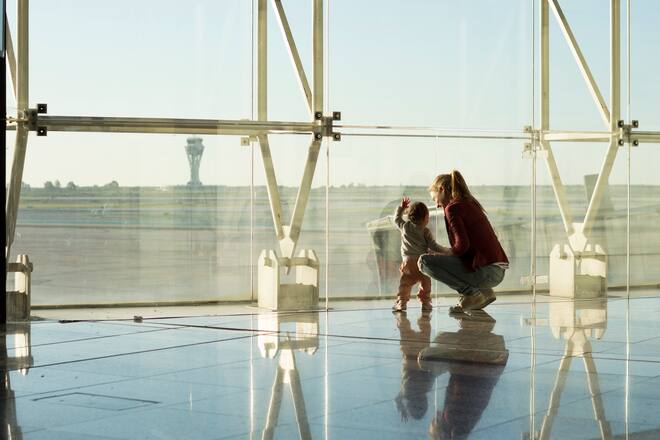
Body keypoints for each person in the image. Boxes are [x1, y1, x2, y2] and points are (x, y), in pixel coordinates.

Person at [419, 170, 509, 313]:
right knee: (440, 259)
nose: (436, 204)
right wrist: (444, 254)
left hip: (487, 272)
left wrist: (441, 253)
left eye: (434, 198)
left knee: (424, 262)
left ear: (442, 190)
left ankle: (471, 294)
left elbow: (462, 247)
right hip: (496, 270)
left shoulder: (453, 208)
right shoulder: (468, 203)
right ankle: (485, 292)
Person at [393, 197, 448, 312]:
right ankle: (426, 303)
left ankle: (401, 303)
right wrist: (447, 251)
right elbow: (434, 247)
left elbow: (396, 219)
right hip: (422, 263)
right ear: (425, 218)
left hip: (408, 262)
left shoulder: (405, 227)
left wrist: (402, 208)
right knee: (426, 283)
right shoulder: (425, 231)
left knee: (405, 283)